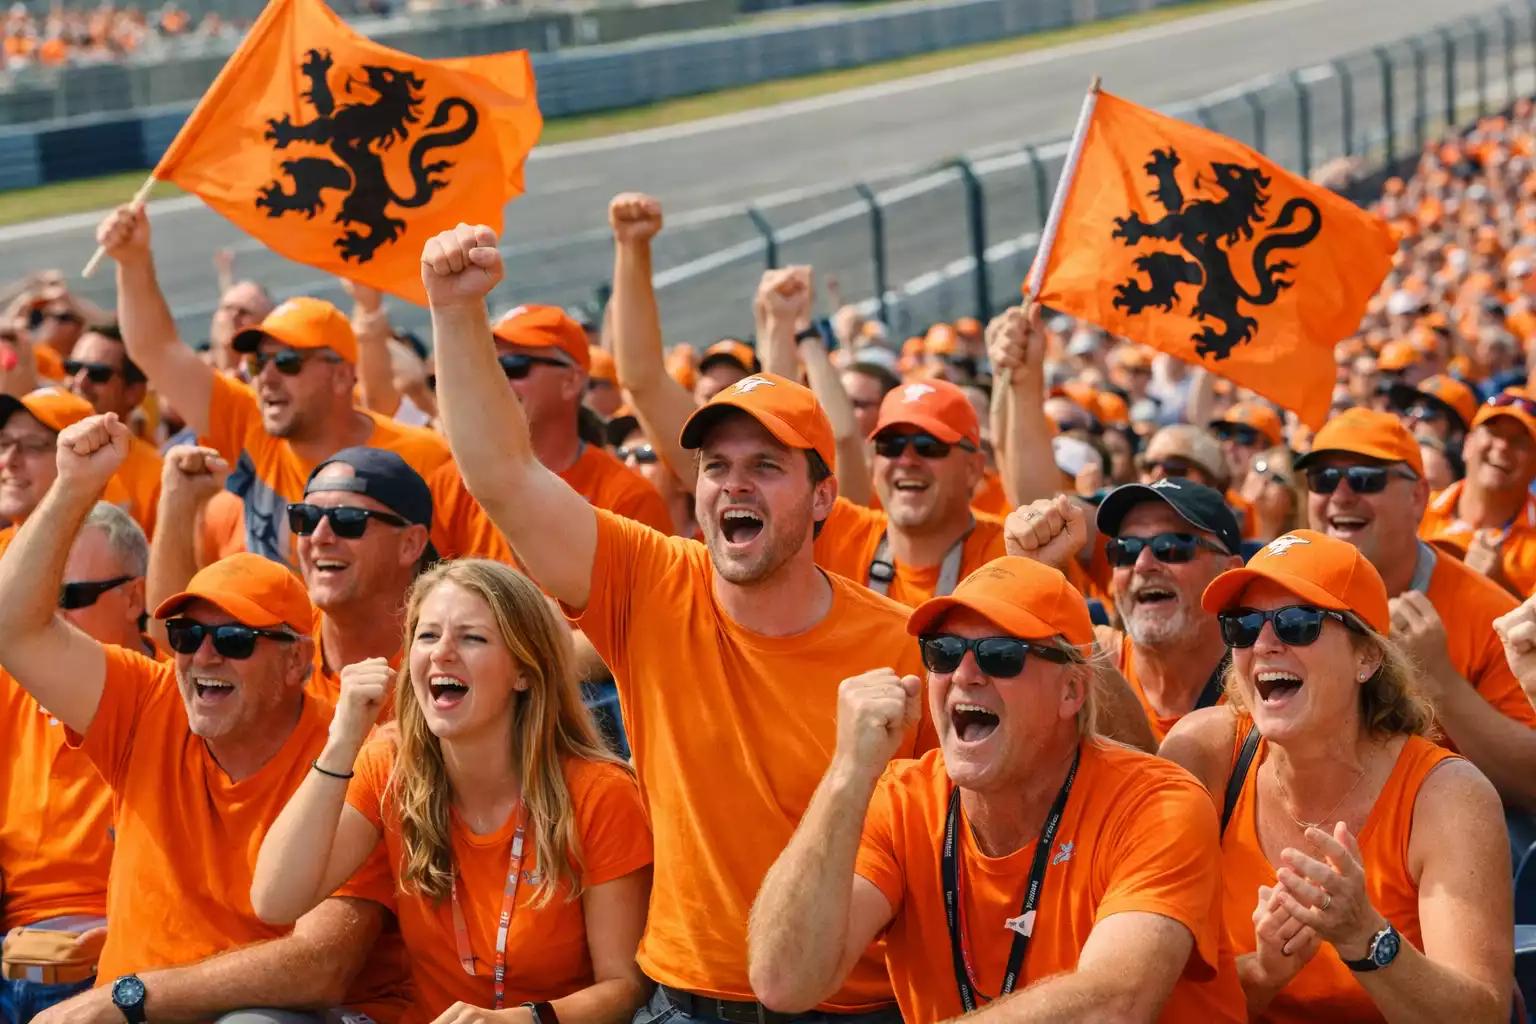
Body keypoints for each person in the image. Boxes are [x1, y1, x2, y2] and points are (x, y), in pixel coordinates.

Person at [423, 222, 934, 1024]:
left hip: (855, 1007)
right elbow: (506, 477)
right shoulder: (652, 580)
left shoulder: (901, 645)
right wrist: (453, 314)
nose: (734, 487)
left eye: (766, 467)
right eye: (716, 467)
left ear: (825, 499)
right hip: (683, 1003)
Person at [0, 413, 409, 1023]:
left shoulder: (357, 750)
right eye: (187, 634)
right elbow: (14, 629)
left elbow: (320, 965)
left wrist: (128, 999)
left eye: (237, 639)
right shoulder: (147, 700)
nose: (203, 655)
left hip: (268, 1014)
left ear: (298, 660)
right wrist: (73, 488)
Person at [748, 556, 1245, 1022]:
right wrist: (847, 774)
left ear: (1071, 691)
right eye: (944, 652)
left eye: (1001, 656)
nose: (965, 674)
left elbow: (1115, 1000)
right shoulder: (900, 799)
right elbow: (784, 981)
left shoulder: (1157, 804)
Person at [253, 560, 653, 1024]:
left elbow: (624, 988)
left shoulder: (599, 794)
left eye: (472, 638)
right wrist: (342, 743)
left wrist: (517, 1022)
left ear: (524, 671)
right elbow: (275, 900)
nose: (441, 654)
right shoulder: (390, 767)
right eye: (427, 636)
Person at [1161, 530, 1512, 1023]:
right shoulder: (1205, 753)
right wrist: (1262, 974)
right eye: (1242, 625)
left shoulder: (1446, 795)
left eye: (1297, 624)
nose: (1263, 643)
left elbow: (1483, 1016)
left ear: (1366, 658)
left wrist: (1366, 938)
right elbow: (1151, 993)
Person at [94, 204, 452, 566]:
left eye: (287, 362)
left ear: (342, 376)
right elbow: (156, 349)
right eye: (259, 362)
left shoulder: (422, 460)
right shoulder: (249, 425)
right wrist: (132, 261)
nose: (266, 376)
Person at [1298, 407, 1536, 809]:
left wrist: (1438, 679)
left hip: (1445, 827)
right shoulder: (1278, 589)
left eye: (1365, 478)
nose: (1340, 495)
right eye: (1323, 479)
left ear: (1418, 497)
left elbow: (1530, 783)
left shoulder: (1490, 611)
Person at [0, 503, 154, 1020]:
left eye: (70, 597)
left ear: (135, 597)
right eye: (39, 600)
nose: (47, 618)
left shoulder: (186, 698)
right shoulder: (7, 688)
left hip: (120, 966)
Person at [428, 303, 674, 560]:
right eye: (488, 365)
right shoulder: (449, 486)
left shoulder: (628, 500)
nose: (496, 380)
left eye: (513, 366)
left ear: (571, 381)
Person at [813, 379, 1007, 606]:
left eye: (929, 446)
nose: (906, 460)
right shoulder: (839, 534)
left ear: (972, 468)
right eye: (890, 445)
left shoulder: (1006, 557)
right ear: (874, 462)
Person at [1093, 480, 1243, 742]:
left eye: (1172, 546)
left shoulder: (1263, 694)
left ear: (1228, 575)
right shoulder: (1096, 660)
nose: (1142, 564)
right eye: (1125, 550)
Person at [1419, 388, 1536, 597]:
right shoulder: (1415, 509)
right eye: (1493, 432)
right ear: (1468, 444)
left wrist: (1499, 587)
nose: (1501, 446)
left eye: (1519, 442)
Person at [0, 387, 131, 554]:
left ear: (87, 458)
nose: (8, 460)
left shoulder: (109, 567)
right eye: (3, 443)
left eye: (32, 445)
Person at [61, 323, 162, 538]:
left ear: (134, 392)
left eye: (98, 374)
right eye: (72, 367)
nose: (80, 382)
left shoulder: (157, 475)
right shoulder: (27, 452)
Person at [1240, 447, 1306, 544]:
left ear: (1292, 501)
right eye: (1260, 470)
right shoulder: (1229, 526)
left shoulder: (1293, 549)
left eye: (1276, 478)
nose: (1265, 480)